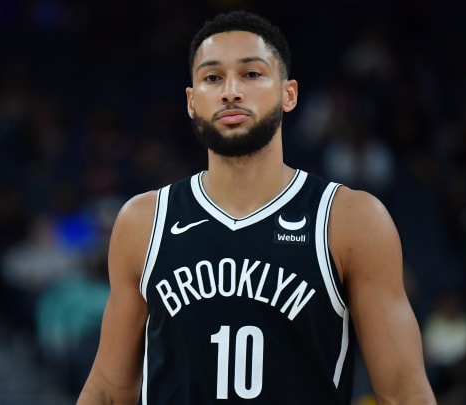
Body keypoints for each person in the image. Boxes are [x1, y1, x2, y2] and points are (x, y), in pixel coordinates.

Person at [78, 10, 435, 404]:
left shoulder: (350, 220)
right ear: (192, 101)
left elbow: (403, 393)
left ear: (289, 93)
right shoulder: (143, 222)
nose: (231, 90)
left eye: (252, 74)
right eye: (213, 78)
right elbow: (110, 390)